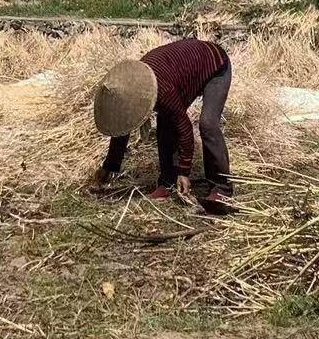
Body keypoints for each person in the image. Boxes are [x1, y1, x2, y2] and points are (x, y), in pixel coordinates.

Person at [90, 38, 234, 211]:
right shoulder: (130, 87)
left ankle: (222, 187)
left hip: (215, 64)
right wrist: (110, 166)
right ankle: (167, 181)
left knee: (208, 124)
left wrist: (184, 171)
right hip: (183, 68)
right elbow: (125, 124)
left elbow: (185, 128)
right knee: (165, 123)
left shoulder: (161, 89)